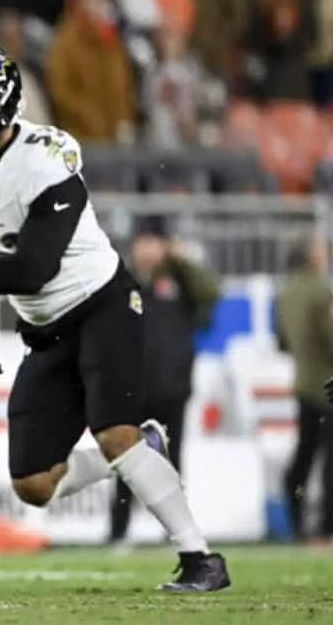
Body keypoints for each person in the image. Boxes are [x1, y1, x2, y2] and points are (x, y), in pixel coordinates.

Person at [0, 41, 230, 591]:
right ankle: (144, 449)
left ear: (3, 99)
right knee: (33, 484)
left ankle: (200, 558)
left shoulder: (46, 158)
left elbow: (32, 270)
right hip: (46, 329)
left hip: (102, 304)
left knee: (115, 432)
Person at [110, 217, 219, 546]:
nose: (147, 250)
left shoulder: (180, 279)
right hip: (132, 386)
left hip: (172, 386)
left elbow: (212, 294)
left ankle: (175, 531)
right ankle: (118, 531)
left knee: (171, 461)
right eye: (142, 243)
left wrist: (181, 260)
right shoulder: (122, 279)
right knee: (126, 460)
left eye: (153, 242)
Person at [278, 239, 333, 541]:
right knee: (330, 459)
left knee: (304, 454)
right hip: (327, 383)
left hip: (303, 382)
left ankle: (295, 519)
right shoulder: (321, 291)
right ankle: (328, 524)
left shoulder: (285, 293)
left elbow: (282, 342)